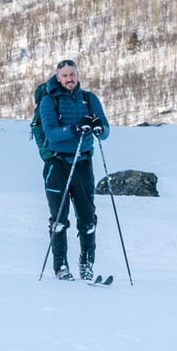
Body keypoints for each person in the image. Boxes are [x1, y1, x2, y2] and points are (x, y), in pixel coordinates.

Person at [39, 59, 110, 281]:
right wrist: (75, 128)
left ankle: (86, 264)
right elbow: (51, 135)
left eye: (72, 74)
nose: (70, 79)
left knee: (88, 217)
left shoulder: (89, 99)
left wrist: (98, 127)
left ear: (77, 75)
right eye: (65, 75)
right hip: (57, 164)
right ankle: (60, 266)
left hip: (82, 163)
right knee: (59, 217)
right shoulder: (49, 102)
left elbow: (106, 131)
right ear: (58, 78)